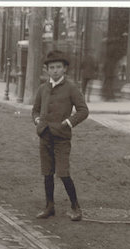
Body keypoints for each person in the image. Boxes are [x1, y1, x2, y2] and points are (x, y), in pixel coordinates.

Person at [32, 50, 89, 221]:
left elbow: (83, 110)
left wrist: (69, 122)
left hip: (62, 137)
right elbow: (35, 109)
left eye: (58, 67)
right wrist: (36, 120)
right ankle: (49, 206)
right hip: (45, 135)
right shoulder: (43, 88)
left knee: (63, 172)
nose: (55, 70)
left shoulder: (71, 88)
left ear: (64, 69)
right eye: (51, 67)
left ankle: (75, 207)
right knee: (47, 173)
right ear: (46, 70)